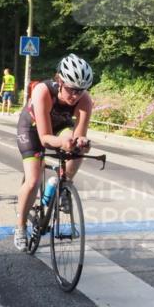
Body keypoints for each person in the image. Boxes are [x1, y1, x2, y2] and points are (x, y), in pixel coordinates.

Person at [14, 53, 94, 251]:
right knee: (32, 180)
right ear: (59, 81)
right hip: (33, 129)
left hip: (59, 127)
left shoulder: (85, 101)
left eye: (81, 91)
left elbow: (79, 134)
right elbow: (45, 138)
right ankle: (21, 226)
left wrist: (81, 142)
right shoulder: (42, 91)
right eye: (72, 90)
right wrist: (62, 142)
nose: (76, 96)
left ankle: (62, 183)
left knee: (77, 148)